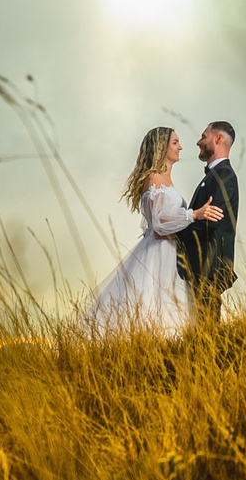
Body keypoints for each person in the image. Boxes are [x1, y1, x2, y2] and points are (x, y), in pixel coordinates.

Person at [74, 125, 224, 338]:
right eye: (175, 142)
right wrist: (194, 215)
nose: (180, 147)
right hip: (159, 253)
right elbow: (160, 222)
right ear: (161, 147)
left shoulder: (166, 180)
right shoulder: (153, 178)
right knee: (155, 306)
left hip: (173, 251)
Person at [176, 121, 239, 324]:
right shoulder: (215, 175)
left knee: (206, 328)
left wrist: (175, 235)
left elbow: (211, 222)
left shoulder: (224, 176)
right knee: (200, 326)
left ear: (218, 139)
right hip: (202, 265)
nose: (198, 142)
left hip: (209, 265)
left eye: (203, 136)